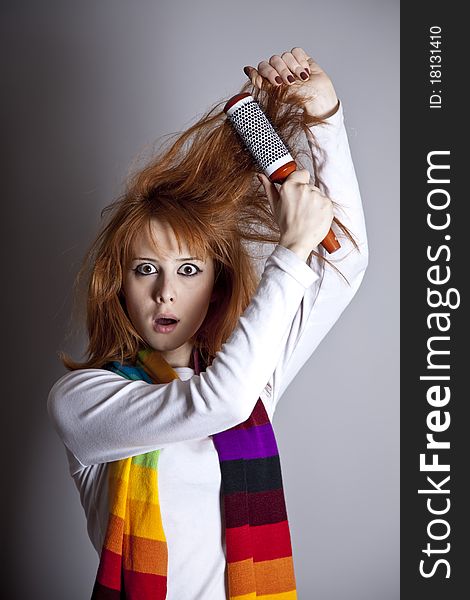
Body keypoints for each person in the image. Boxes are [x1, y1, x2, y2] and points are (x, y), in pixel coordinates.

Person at [47, 47, 368, 600]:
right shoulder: (83, 400)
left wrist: (323, 119)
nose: (165, 291)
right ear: (118, 286)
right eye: (145, 269)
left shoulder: (247, 375)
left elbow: (344, 263)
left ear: (215, 285)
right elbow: (219, 403)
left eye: (188, 270)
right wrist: (292, 253)